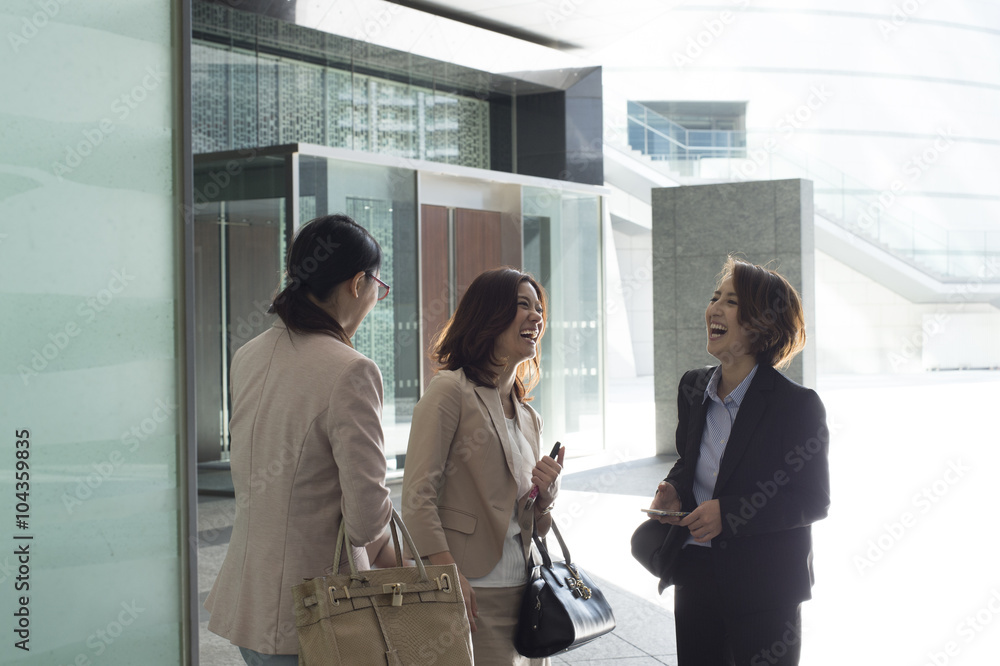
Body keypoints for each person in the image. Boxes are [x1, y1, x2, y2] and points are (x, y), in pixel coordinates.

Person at [205, 214, 397, 665]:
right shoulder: (351, 370)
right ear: (357, 283)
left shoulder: (247, 355)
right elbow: (368, 518)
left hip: (247, 601)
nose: (376, 297)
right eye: (378, 286)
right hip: (318, 614)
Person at [647, 256, 830, 666]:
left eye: (730, 301)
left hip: (766, 586)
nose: (714, 308)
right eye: (715, 297)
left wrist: (729, 514)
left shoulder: (796, 405)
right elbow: (689, 458)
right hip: (695, 572)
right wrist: (675, 488)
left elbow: (812, 499)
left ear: (761, 324)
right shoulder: (693, 387)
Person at [402, 267, 565, 666]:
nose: (536, 316)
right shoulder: (450, 391)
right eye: (522, 305)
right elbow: (416, 497)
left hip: (526, 593)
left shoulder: (530, 418)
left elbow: (535, 525)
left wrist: (546, 497)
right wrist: (447, 576)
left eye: (538, 307)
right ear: (490, 315)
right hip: (470, 589)